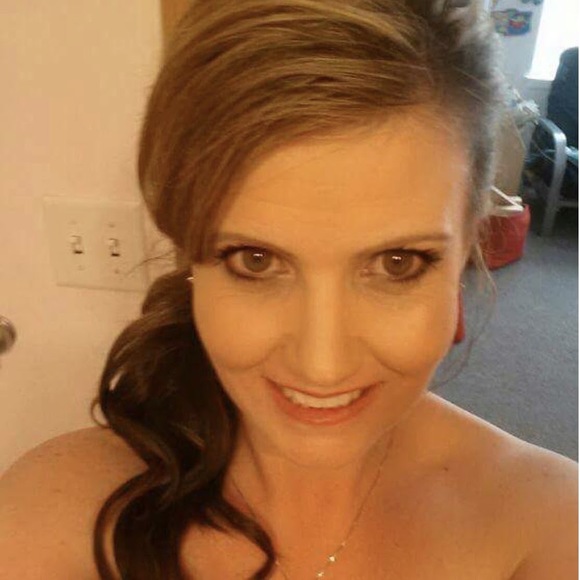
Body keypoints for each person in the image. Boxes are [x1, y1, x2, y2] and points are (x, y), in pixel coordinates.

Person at [0, 1, 577, 579]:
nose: (322, 366)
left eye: (396, 263)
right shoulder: (55, 516)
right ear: (191, 253)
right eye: (256, 260)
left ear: (467, 248)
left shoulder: (548, 527)